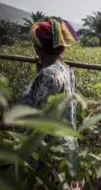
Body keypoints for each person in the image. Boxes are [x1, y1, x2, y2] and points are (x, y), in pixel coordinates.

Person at [22, 17, 82, 189]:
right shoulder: (67, 70)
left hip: (47, 154)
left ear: (39, 47)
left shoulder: (48, 75)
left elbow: (38, 122)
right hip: (67, 147)